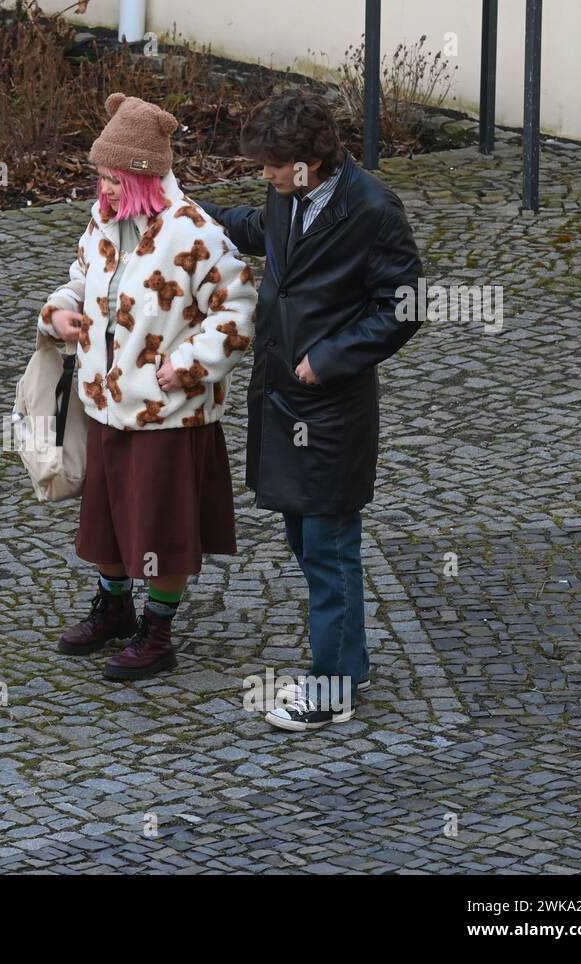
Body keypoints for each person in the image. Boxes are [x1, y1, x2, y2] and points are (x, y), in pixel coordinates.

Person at [196, 88, 423, 731]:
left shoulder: (374, 210)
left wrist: (331, 357)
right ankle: (348, 661)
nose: (262, 174)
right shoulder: (289, 192)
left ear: (310, 161)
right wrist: (182, 210)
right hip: (279, 398)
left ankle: (333, 687)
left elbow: (402, 306)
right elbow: (257, 229)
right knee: (303, 536)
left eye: (271, 165)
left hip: (329, 409)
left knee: (328, 544)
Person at [39, 93, 257, 681]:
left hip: (167, 412)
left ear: (141, 176)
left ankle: (157, 634)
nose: (102, 189)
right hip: (106, 403)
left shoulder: (194, 234)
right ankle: (114, 607)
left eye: (112, 179)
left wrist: (187, 365)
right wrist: (60, 311)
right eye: (100, 177)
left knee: (159, 525)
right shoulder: (104, 223)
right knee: (106, 517)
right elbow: (79, 277)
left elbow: (237, 309)